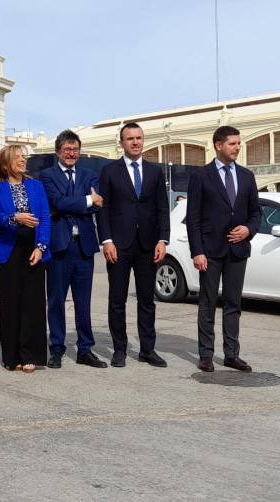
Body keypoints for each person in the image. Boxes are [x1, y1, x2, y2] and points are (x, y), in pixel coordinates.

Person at [185, 125, 261, 373]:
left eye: (239, 143)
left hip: (238, 251)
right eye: (233, 143)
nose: (237, 147)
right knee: (207, 303)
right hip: (210, 250)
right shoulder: (201, 176)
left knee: (233, 303)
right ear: (219, 145)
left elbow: (256, 213)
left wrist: (248, 230)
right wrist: (197, 251)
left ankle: (231, 354)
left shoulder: (247, 176)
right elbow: (193, 217)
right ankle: (206, 354)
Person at [97, 122, 170, 368]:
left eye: (139, 138)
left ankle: (147, 350)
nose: (135, 142)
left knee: (147, 300)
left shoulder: (154, 171)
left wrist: (163, 239)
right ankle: (120, 350)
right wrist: (106, 240)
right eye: (130, 138)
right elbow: (103, 209)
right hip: (119, 245)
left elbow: (162, 208)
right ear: (122, 142)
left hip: (148, 244)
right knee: (117, 300)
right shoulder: (109, 171)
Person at [39, 130, 107, 369]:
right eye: (67, 149)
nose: (71, 153)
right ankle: (56, 348)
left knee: (83, 302)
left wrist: (71, 204)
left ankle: (85, 349)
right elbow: (55, 202)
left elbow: (98, 205)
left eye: (75, 150)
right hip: (59, 248)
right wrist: (86, 201)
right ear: (58, 151)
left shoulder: (90, 175)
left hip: (84, 248)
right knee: (56, 300)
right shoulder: (46, 175)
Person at [0, 145, 51, 372]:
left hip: (33, 247)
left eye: (24, 157)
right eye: (17, 157)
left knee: (32, 303)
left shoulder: (36, 185)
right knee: (10, 302)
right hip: (8, 249)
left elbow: (44, 218)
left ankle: (30, 353)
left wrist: (41, 247)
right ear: (5, 164)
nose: (23, 160)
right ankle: (12, 356)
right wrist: (16, 218)